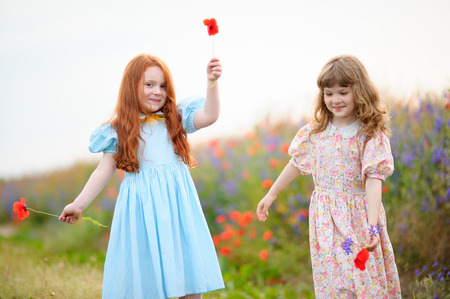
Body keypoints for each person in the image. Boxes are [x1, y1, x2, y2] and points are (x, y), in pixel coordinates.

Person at [59, 54, 224, 299]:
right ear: (131, 86)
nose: (157, 91)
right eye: (149, 84)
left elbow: (209, 116)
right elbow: (103, 170)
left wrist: (212, 82)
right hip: (142, 211)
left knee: (188, 273)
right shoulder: (120, 129)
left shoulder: (175, 119)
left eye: (163, 85)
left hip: (178, 207)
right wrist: (78, 204)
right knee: (149, 279)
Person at [257, 55, 401, 298]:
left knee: (361, 272)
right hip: (326, 222)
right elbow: (296, 164)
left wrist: (373, 225)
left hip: (358, 220)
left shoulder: (369, 135)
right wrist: (272, 193)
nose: (335, 99)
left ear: (359, 91)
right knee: (335, 279)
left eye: (343, 92)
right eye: (329, 93)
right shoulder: (316, 132)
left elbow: (374, 181)